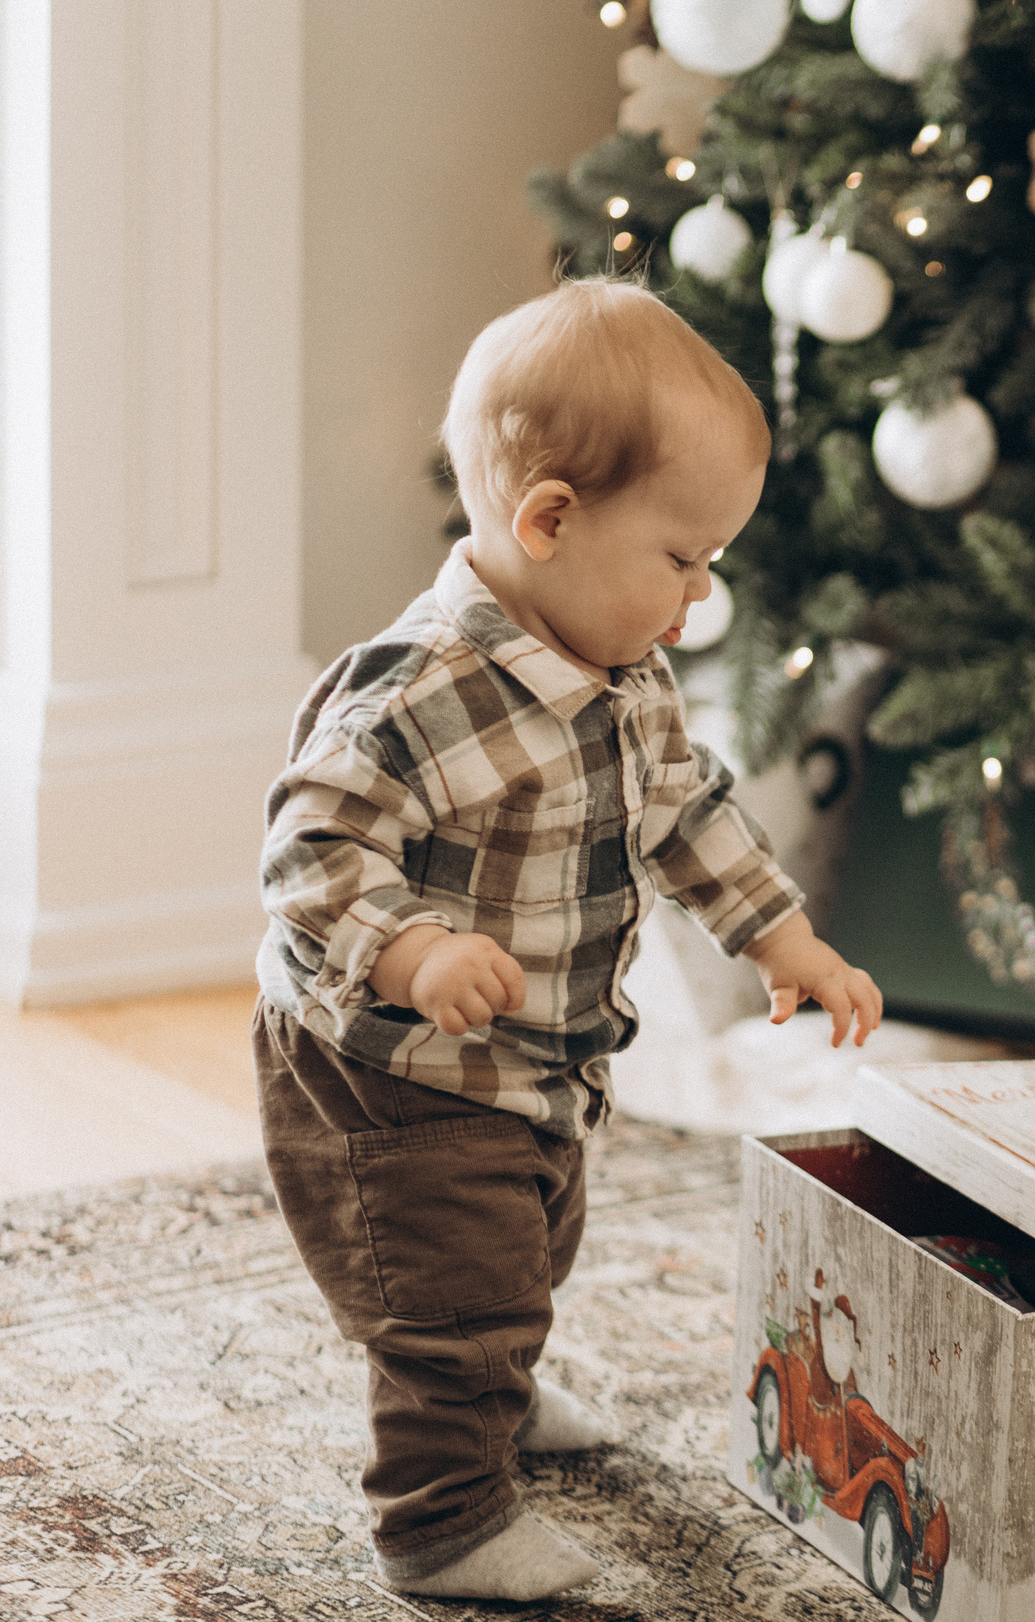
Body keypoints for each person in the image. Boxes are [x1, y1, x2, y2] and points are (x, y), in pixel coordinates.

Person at [256, 279, 882, 1599]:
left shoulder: (624, 674)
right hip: (389, 1064)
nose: (700, 598)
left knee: (537, 1245)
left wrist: (786, 943)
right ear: (549, 519)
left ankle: (499, 1396)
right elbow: (309, 852)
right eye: (682, 557)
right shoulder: (417, 686)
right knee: (455, 1289)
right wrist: (416, 951)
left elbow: (686, 814)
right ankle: (442, 1519)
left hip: (540, 1054)